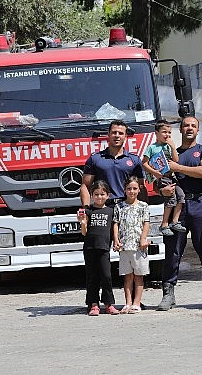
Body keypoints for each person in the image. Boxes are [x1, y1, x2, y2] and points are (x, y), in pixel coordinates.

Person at [156, 116, 202, 310]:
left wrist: (177, 167)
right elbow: (158, 178)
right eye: (186, 125)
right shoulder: (170, 153)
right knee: (173, 250)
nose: (189, 128)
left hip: (200, 201)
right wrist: (162, 190)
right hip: (177, 205)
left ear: (198, 129)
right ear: (180, 129)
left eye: (193, 126)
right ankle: (168, 293)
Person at [80, 119, 146, 209]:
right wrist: (86, 210)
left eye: (121, 133)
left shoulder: (134, 160)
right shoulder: (95, 159)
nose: (117, 136)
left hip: (128, 208)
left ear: (125, 136)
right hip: (104, 208)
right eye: (114, 133)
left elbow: (141, 187)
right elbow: (85, 186)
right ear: (109, 134)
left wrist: (144, 211)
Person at [77, 180, 119, 316]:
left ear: (108, 195)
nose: (99, 197)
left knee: (106, 275)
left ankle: (109, 304)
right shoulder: (88, 211)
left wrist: (116, 241)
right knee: (91, 277)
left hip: (104, 248)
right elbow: (84, 232)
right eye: (96, 194)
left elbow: (114, 229)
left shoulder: (111, 211)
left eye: (102, 194)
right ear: (91, 195)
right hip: (89, 248)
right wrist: (82, 222)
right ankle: (93, 304)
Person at [142, 120, 186, 236]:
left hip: (171, 176)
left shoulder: (169, 146)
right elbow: (144, 163)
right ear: (156, 133)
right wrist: (155, 172)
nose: (167, 135)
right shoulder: (151, 148)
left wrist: (172, 147)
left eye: (169, 133)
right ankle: (164, 223)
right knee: (170, 199)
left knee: (181, 196)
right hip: (162, 178)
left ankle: (175, 221)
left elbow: (176, 160)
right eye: (164, 132)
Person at [113, 176, 150, 314]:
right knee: (127, 276)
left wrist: (143, 238)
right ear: (124, 190)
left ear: (139, 190)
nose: (132, 191)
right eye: (129, 189)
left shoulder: (143, 206)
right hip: (125, 246)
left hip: (139, 247)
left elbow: (146, 222)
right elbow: (115, 223)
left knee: (139, 275)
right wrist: (116, 239)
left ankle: (136, 303)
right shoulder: (119, 206)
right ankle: (127, 303)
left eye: (134, 188)